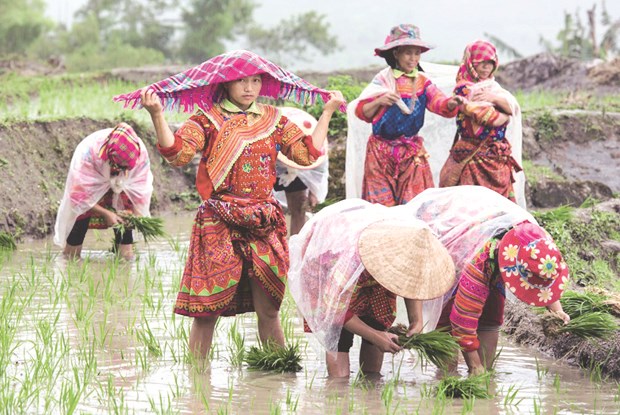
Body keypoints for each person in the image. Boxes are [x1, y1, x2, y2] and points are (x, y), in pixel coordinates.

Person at [115, 50, 346, 359]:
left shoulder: (273, 119)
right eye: (241, 81)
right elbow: (177, 155)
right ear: (225, 83)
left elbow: (306, 155)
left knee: (269, 308)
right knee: (206, 311)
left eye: (255, 81)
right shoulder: (206, 120)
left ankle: (277, 370)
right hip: (219, 220)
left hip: (263, 220)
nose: (249, 88)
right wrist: (157, 114)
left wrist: (328, 111)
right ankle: (197, 383)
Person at [404, 186, 570, 376]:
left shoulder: (539, 244)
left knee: (491, 314)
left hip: (494, 249)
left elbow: (541, 277)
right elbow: (462, 322)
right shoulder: (480, 262)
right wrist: (474, 365)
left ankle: (482, 375)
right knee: (449, 321)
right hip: (457, 251)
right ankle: (446, 377)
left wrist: (557, 311)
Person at [288, 199, 456, 377]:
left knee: (377, 324)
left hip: (370, 274)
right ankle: (337, 391)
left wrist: (416, 321)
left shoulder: (406, 242)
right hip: (329, 271)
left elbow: (411, 280)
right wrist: (376, 336)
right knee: (339, 339)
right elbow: (335, 309)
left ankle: (371, 386)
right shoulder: (348, 260)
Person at [345, 24, 462, 206]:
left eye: (417, 53)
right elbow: (362, 112)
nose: (413, 58)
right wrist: (379, 101)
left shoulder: (423, 82)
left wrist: (452, 103)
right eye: (408, 53)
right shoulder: (383, 80)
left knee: (414, 205)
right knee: (382, 207)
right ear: (396, 53)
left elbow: (439, 103)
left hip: (411, 153)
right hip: (380, 152)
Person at [438, 40, 526, 208]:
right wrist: (504, 116)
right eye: (481, 63)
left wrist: (494, 99)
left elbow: (512, 108)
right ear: (471, 64)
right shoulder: (463, 89)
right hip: (473, 155)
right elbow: (489, 117)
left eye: (490, 63)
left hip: (495, 157)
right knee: (471, 205)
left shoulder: (492, 88)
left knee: (499, 208)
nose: (486, 68)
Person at [53, 122, 154, 260]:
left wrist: (135, 214)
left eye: (127, 168)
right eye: (119, 166)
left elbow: (141, 190)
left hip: (121, 187)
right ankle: (70, 258)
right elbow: (78, 196)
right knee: (81, 215)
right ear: (110, 158)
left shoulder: (139, 155)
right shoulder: (88, 154)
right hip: (92, 181)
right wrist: (106, 213)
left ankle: (125, 261)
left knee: (125, 218)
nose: (123, 171)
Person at [274, 106, 329, 236]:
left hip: (299, 172)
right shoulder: (269, 139)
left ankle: (295, 247)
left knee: (299, 208)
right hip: (271, 165)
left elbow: (319, 170)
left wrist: (313, 191)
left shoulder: (315, 147)